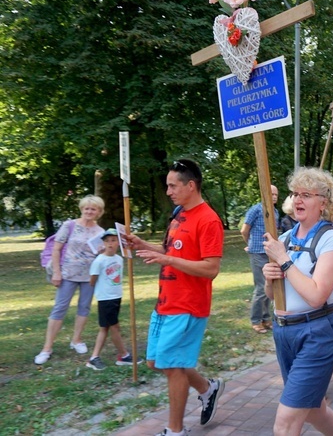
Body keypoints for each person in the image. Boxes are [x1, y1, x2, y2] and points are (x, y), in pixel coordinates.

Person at [126, 159, 225, 436]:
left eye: (173, 185)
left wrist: (167, 258)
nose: (168, 191)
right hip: (166, 302)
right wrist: (142, 244)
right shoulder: (179, 213)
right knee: (157, 363)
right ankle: (208, 388)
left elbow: (211, 268)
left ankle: (175, 430)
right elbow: (171, 251)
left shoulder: (209, 220)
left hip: (188, 305)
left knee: (172, 367)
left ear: (190, 185)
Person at [260, 167, 333, 436]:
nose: (298, 199)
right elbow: (272, 294)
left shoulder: (331, 240)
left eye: (306, 194)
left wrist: (284, 261)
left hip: (317, 331)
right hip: (284, 331)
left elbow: (316, 295)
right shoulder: (284, 238)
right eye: (296, 193)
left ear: (324, 203)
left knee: (286, 421)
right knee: (312, 408)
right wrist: (269, 275)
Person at [35, 195, 106, 365]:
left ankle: (76, 340)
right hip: (67, 274)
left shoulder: (100, 232)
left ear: (99, 212)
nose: (89, 211)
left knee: (84, 307)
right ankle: (47, 348)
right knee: (59, 308)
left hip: (89, 276)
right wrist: (57, 273)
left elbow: (99, 255)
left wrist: (103, 251)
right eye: (86, 208)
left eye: (93, 209)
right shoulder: (70, 225)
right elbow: (56, 249)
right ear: (82, 209)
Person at [85, 228, 138, 370]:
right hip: (105, 298)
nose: (110, 243)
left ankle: (94, 357)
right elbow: (92, 280)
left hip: (116, 296)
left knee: (106, 327)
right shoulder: (100, 261)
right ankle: (124, 355)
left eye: (113, 240)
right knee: (114, 327)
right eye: (107, 241)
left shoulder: (119, 259)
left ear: (118, 243)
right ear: (103, 243)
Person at [241, 184, 279, 333]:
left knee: (270, 285)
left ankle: (266, 318)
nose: (274, 196)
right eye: (271, 194)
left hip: (270, 253)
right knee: (261, 287)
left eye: (276, 194)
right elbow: (244, 230)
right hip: (257, 252)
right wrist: (250, 245)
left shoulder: (275, 212)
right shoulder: (256, 209)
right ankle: (255, 320)